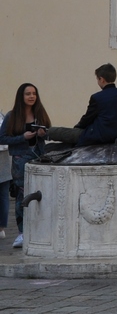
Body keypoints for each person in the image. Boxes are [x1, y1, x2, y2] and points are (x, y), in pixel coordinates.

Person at [2, 83, 51, 247]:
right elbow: (2, 138)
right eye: (28, 94)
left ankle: (41, 229)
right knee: (22, 195)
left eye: (34, 94)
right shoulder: (12, 116)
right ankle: (22, 232)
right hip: (20, 160)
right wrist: (22, 137)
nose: (31, 96)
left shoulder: (40, 114)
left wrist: (43, 134)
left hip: (38, 158)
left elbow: (49, 132)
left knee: (41, 193)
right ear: (21, 97)